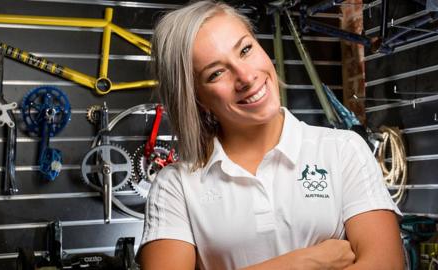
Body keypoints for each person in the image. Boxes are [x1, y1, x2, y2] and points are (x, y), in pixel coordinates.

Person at [138, 1, 404, 269]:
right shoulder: (175, 187)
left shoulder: (344, 151)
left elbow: (387, 265)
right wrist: (303, 261)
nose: (246, 76)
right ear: (197, 99)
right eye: (216, 73)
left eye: (245, 49)